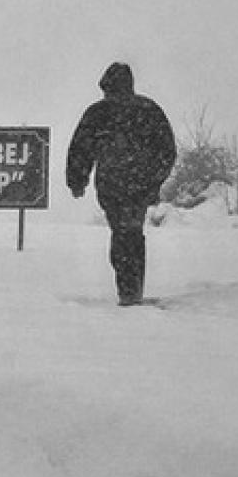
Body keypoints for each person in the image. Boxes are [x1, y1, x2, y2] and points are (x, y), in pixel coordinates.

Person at [66, 62, 177, 306]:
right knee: (132, 233)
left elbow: (80, 150)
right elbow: (167, 151)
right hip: (139, 187)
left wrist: (77, 181)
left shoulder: (98, 112)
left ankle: (128, 290)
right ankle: (132, 288)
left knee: (122, 232)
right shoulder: (149, 110)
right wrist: (154, 181)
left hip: (111, 185)